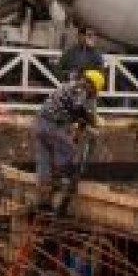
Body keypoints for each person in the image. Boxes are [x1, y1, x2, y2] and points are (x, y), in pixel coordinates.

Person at [34, 68, 104, 211]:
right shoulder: (80, 88)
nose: (93, 94)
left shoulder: (72, 86)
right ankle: (62, 190)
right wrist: (93, 120)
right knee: (68, 152)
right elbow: (79, 109)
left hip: (41, 123)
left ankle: (43, 200)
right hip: (52, 124)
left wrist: (79, 132)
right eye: (94, 91)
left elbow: (77, 115)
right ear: (91, 85)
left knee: (45, 161)